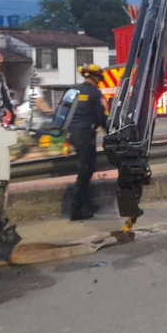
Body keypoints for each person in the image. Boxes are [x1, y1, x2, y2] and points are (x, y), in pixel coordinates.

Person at [67, 64, 107, 221]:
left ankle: (87, 204)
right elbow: (100, 117)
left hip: (74, 135)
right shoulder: (95, 93)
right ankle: (76, 210)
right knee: (85, 172)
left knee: (87, 170)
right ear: (96, 78)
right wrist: (111, 132)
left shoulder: (75, 90)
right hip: (85, 135)